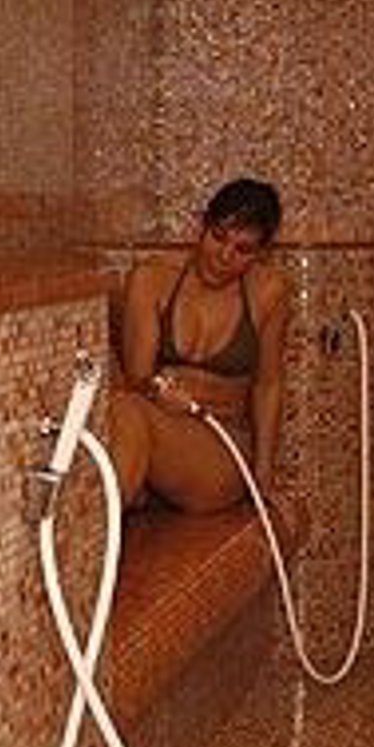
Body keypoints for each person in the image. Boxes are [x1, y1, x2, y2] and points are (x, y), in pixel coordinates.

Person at [105, 178, 292, 512]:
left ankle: (99, 533)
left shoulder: (268, 292)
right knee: (125, 408)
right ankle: (101, 529)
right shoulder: (152, 279)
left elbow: (268, 384)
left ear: (262, 253)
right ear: (201, 227)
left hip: (222, 445)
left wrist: (263, 475)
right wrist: (158, 391)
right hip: (160, 429)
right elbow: (137, 375)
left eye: (243, 250)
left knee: (130, 413)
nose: (224, 256)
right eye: (218, 237)